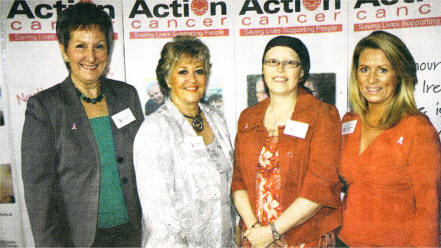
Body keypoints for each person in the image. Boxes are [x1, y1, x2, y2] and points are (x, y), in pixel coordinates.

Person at [21, 3, 143, 247]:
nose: (91, 56)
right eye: (80, 46)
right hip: (79, 240)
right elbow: (40, 196)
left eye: (99, 46)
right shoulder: (44, 108)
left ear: (108, 49)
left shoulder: (127, 96)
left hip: (132, 234)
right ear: (64, 51)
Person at [232, 35, 342, 247]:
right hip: (255, 238)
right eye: (272, 61)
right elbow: (238, 181)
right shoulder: (248, 117)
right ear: (263, 69)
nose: (280, 69)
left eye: (290, 63)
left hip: (304, 237)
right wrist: (256, 231)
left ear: (301, 73)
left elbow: (320, 186)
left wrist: (272, 232)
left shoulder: (322, 115)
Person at [338, 30, 441, 247]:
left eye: (382, 70)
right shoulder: (349, 121)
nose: (371, 79)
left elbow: (428, 210)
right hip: (344, 242)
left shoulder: (417, 128)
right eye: (364, 69)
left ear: (399, 75)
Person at [134, 35, 235, 247]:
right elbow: (159, 216)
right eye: (182, 72)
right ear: (168, 79)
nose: (192, 79)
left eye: (199, 71)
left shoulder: (216, 118)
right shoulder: (154, 129)